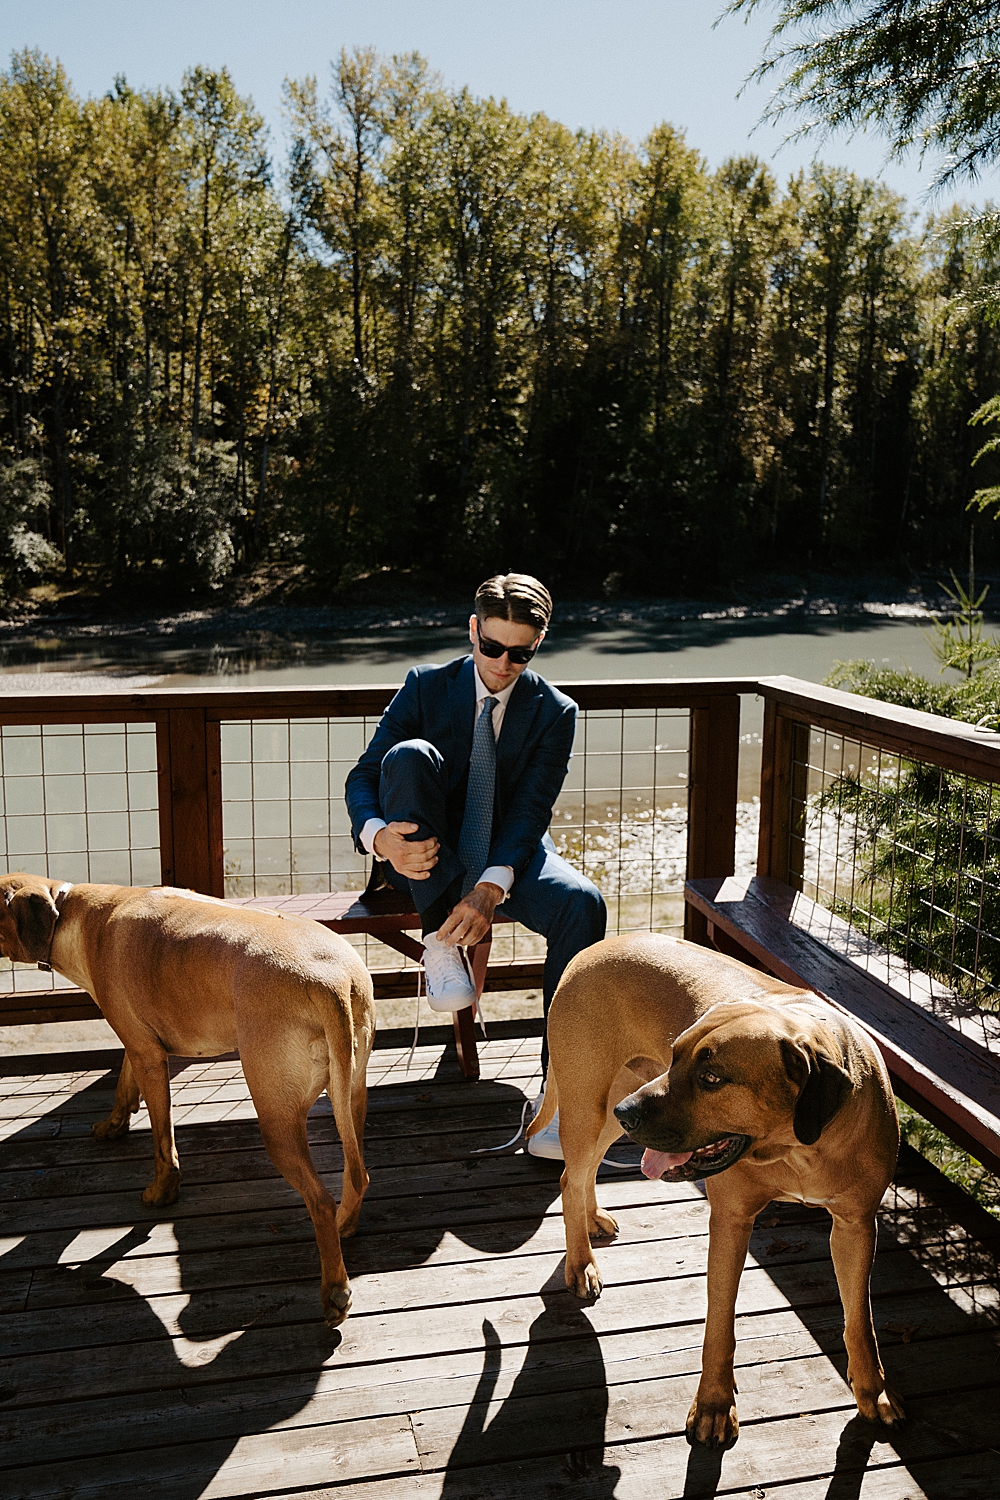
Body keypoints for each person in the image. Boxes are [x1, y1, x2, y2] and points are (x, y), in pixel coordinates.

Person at [345, 572, 607, 1157]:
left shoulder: (555, 712)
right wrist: (380, 838)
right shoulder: (424, 686)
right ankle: (439, 940)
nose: (503, 663)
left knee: (582, 903)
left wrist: (490, 888)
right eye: (492, 646)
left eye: (521, 653)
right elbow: (364, 776)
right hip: (423, 851)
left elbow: (531, 810)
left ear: (538, 644)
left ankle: (559, 1099)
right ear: (473, 630)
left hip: (507, 851)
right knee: (407, 755)